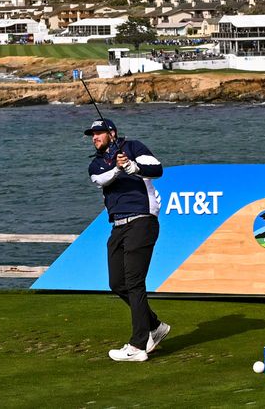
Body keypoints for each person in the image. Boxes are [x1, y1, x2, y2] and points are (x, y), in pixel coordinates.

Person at [86, 118, 171, 362]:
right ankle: (154, 326)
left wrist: (133, 166)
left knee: (134, 281)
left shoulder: (133, 147)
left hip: (141, 220)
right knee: (117, 282)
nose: (95, 137)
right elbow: (101, 180)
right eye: (92, 134)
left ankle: (137, 345)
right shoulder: (96, 164)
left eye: (99, 133)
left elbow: (157, 168)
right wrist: (118, 169)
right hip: (118, 226)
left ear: (112, 133)